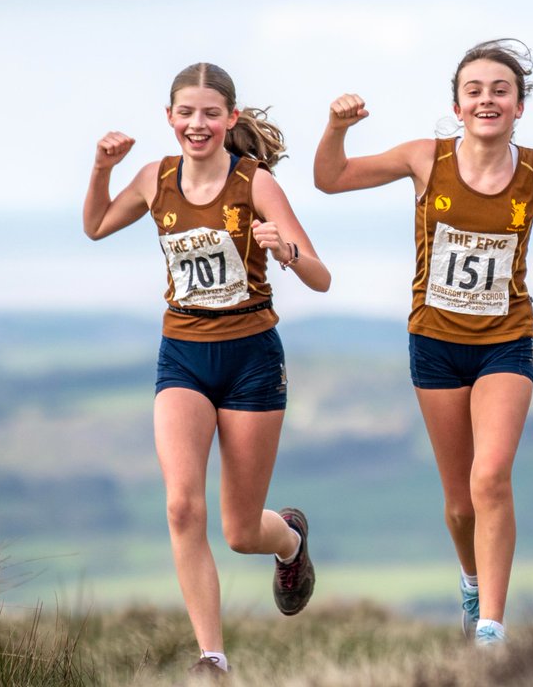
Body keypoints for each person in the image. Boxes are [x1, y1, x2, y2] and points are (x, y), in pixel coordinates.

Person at [313, 39, 533, 644]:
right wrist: (335, 127)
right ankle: (470, 582)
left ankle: (491, 629)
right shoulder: (425, 159)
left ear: (519, 106)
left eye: (500, 91)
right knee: (460, 506)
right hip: (434, 344)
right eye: (474, 91)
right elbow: (330, 179)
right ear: (457, 105)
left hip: (506, 342)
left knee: (491, 480)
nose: (487, 100)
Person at [82, 62, 331, 678]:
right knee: (181, 508)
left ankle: (291, 540)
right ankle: (212, 658)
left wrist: (287, 252)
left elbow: (320, 276)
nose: (198, 124)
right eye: (186, 113)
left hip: (251, 361)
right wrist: (101, 169)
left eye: (210, 113)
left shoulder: (256, 184)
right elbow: (94, 227)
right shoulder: (153, 178)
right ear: (169, 118)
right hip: (184, 358)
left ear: (231, 119)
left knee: (242, 531)